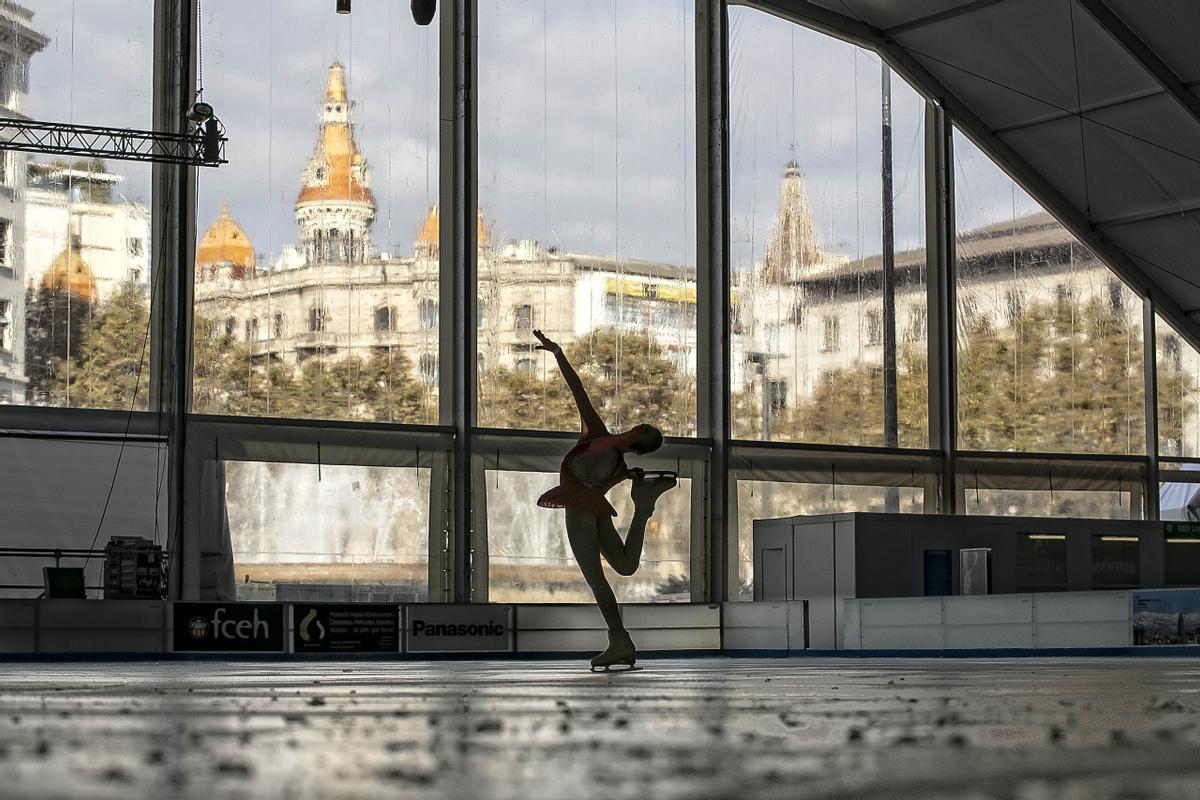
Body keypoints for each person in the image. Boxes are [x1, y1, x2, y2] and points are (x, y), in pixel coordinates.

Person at [532, 329, 677, 671]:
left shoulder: (600, 440)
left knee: (597, 579)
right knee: (625, 566)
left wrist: (558, 353)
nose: (639, 426)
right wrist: (557, 353)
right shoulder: (616, 459)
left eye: (643, 429)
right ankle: (643, 508)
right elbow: (577, 390)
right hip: (593, 507)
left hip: (582, 509)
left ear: (637, 438)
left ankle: (619, 638)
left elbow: (578, 390)